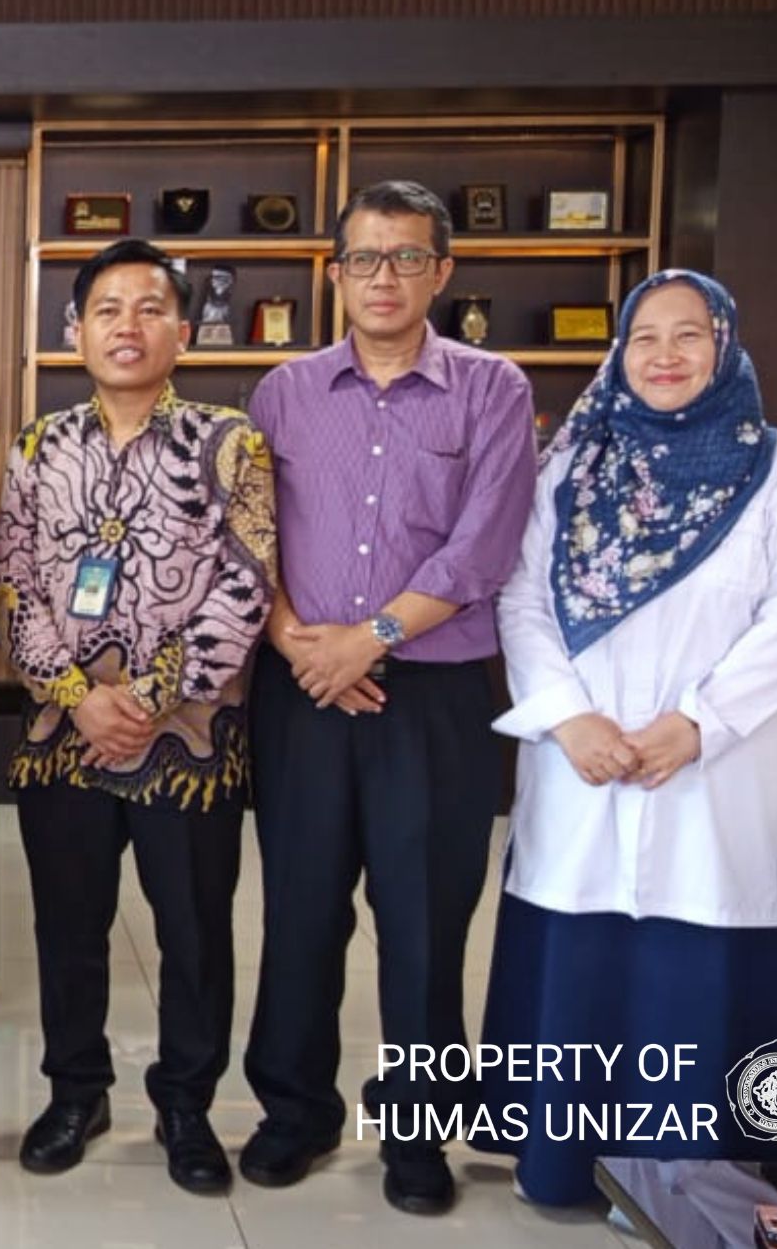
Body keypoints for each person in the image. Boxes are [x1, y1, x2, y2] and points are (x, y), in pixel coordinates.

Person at [472, 269, 777, 1205]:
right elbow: (521, 600)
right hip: (583, 762)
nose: (665, 355)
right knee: (580, 961)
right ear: (620, 353)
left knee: (706, 973)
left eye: (689, 335)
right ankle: (562, 1166)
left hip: (717, 771)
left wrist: (698, 723)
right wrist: (568, 716)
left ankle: (708, 1190)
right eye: (645, 337)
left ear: (725, 346)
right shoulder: (568, 470)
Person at [242, 180, 537, 1214]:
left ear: (441, 272)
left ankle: (416, 1129)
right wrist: (297, 643)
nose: (384, 277)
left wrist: (368, 639)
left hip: (433, 694)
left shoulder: (492, 388)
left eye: (407, 257)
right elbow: (251, 538)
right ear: (335, 273)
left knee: (424, 920)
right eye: (364, 258)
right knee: (298, 910)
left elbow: (484, 544)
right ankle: (294, 1111)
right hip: (301, 690)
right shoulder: (281, 393)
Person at [0, 240, 276, 1195]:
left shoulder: (228, 442)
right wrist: (80, 698)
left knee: (193, 930)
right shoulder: (38, 446)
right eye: (106, 309)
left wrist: (151, 700)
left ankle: (186, 1103)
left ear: (183, 332)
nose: (128, 326)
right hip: (63, 736)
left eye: (150, 308)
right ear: (74, 330)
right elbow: (16, 581)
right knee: (68, 927)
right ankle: (76, 1090)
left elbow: (245, 583)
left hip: (188, 738)